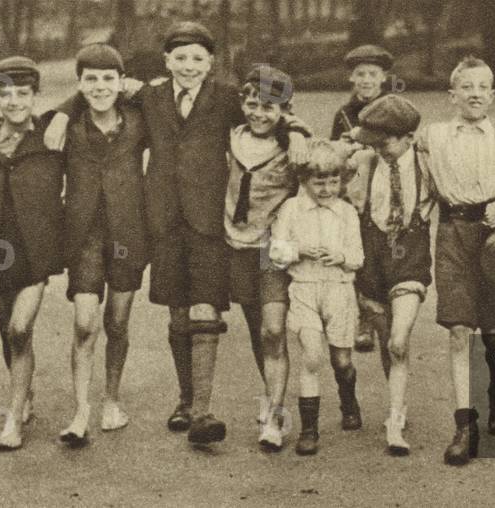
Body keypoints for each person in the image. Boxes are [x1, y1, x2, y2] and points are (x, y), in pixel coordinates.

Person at [47, 21, 310, 444]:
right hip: (163, 221)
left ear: (211, 63)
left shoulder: (227, 97)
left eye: (197, 59)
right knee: (177, 312)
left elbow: (269, 113)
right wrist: (62, 111)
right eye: (180, 58)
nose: (189, 66)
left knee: (206, 308)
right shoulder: (148, 95)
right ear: (167, 60)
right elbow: (98, 88)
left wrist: (296, 130)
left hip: (209, 222)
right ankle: (186, 402)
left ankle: (204, 412)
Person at [415, 56, 495, 465]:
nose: (475, 94)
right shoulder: (434, 135)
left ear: (493, 95)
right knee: (459, 330)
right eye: (467, 87)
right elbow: (395, 144)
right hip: (452, 234)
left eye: (483, 87)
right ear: (452, 95)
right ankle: (465, 425)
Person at [0, 56, 65, 450]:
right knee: (11, 337)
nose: (13, 101)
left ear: (34, 95)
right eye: (4, 94)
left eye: (22, 93)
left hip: (34, 253)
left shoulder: (51, 140)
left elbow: (87, 101)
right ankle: (23, 397)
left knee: (20, 329)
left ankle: (13, 423)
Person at [60, 44, 149, 446]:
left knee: (117, 323)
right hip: (84, 238)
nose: (100, 87)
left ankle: (112, 399)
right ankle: (81, 411)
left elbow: (167, 105)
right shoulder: (65, 124)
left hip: (129, 235)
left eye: (108, 78)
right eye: (90, 79)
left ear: (121, 81)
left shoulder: (139, 120)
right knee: (84, 324)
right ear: (79, 84)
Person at [347, 94, 433, 455]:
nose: (379, 149)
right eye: (374, 143)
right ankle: (398, 404)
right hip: (372, 262)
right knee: (387, 344)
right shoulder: (365, 162)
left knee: (399, 340)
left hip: (410, 258)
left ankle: (394, 424)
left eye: (386, 142)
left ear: (408, 138)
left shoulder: (429, 165)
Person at [223, 66, 302, 450]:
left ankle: (275, 416)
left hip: (272, 249)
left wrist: (299, 131)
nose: (259, 114)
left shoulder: (291, 147)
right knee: (256, 327)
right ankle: (271, 397)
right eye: (252, 105)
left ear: (285, 110)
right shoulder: (230, 139)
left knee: (274, 329)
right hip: (236, 243)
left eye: (270, 108)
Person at [270, 142, 364, 456]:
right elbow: (275, 253)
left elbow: (357, 257)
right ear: (305, 181)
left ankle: (348, 400)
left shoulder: (347, 212)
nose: (326, 189)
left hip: (338, 289)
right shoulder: (291, 209)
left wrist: (339, 256)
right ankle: (309, 430)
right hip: (305, 288)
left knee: (342, 360)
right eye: (319, 182)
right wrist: (299, 250)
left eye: (333, 181)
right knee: (311, 356)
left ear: (342, 181)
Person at [331, 44, 396, 353]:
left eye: (373, 74)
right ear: (351, 78)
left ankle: (385, 309)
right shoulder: (343, 114)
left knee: (385, 255)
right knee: (359, 255)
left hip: (388, 191)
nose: (367, 80)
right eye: (360, 74)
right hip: (355, 195)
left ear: (384, 77)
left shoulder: (394, 108)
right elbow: (333, 158)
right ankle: (365, 317)